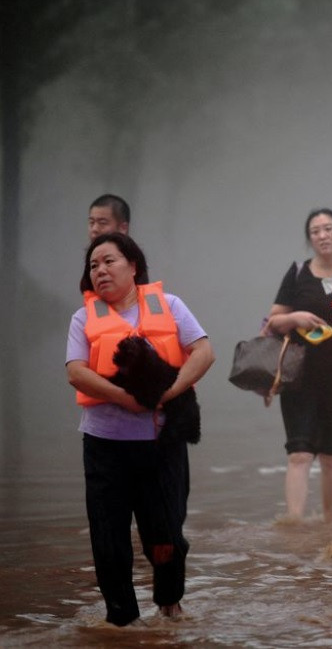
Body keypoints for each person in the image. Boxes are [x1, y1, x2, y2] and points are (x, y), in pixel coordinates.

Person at [65, 232, 214, 626]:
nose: (100, 271)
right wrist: (122, 397)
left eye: (109, 261)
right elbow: (76, 372)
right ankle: (122, 621)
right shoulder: (83, 318)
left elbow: (204, 352)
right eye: (93, 266)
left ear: (133, 266)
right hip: (104, 448)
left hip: (161, 447)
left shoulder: (170, 306)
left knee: (165, 538)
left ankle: (169, 605)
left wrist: (170, 392)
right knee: (109, 543)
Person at [262, 208, 332, 523]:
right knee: (299, 453)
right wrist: (294, 318)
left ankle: (330, 525)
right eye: (316, 231)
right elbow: (273, 320)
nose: (323, 235)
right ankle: (294, 525)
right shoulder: (298, 272)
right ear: (309, 238)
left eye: (328, 229)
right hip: (300, 376)